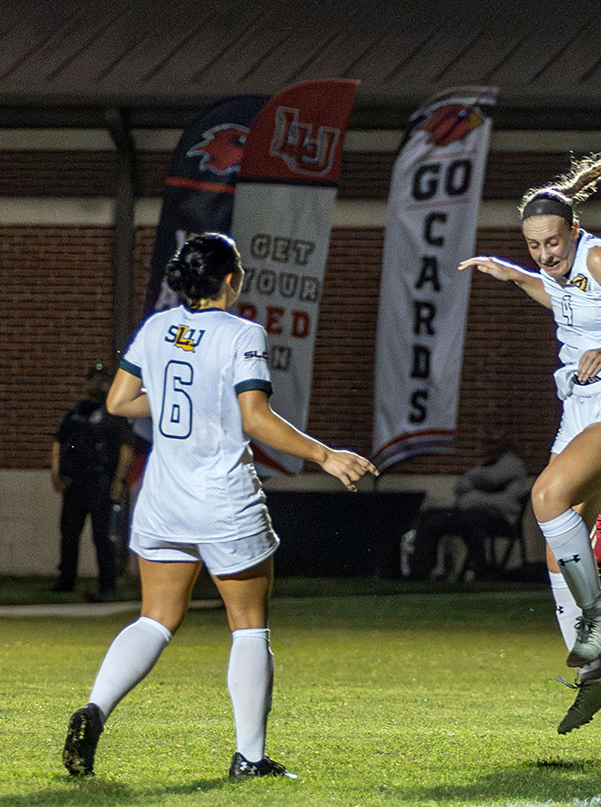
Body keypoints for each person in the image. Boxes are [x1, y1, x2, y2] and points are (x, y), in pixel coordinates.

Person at [62, 233, 376, 779]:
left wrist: (181, 398)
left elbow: (118, 401)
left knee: (155, 619)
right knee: (249, 626)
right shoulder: (242, 332)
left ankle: (96, 707)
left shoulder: (157, 327)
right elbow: (255, 419)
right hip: (222, 498)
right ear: (231, 279)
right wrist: (325, 455)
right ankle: (249, 758)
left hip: (162, 499)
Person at [459, 144, 601, 734]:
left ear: (575, 230)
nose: (546, 254)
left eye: (553, 242)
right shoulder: (558, 270)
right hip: (579, 405)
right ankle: (594, 675)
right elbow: (563, 302)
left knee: (545, 498)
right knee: (554, 542)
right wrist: (516, 275)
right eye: (534, 247)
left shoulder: (599, 257)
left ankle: (598, 617)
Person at [50, 363, 134, 600]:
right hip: (75, 482)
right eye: (93, 379)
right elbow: (59, 441)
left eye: (100, 380)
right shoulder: (78, 411)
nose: (95, 384)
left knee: (102, 537)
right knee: (68, 532)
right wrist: (56, 473)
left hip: (101, 483)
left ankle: (107, 587)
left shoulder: (114, 413)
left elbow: (126, 449)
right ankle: (66, 580)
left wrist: (118, 481)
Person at [406, 445, 527, 581]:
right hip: (473, 514)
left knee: (440, 523)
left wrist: (473, 485)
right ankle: (420, 570)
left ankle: (421, 573)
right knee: (429, 515)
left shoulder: (512, 463)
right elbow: (459, 486)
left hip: (499, 517)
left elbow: (491, 479)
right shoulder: (487, 465)